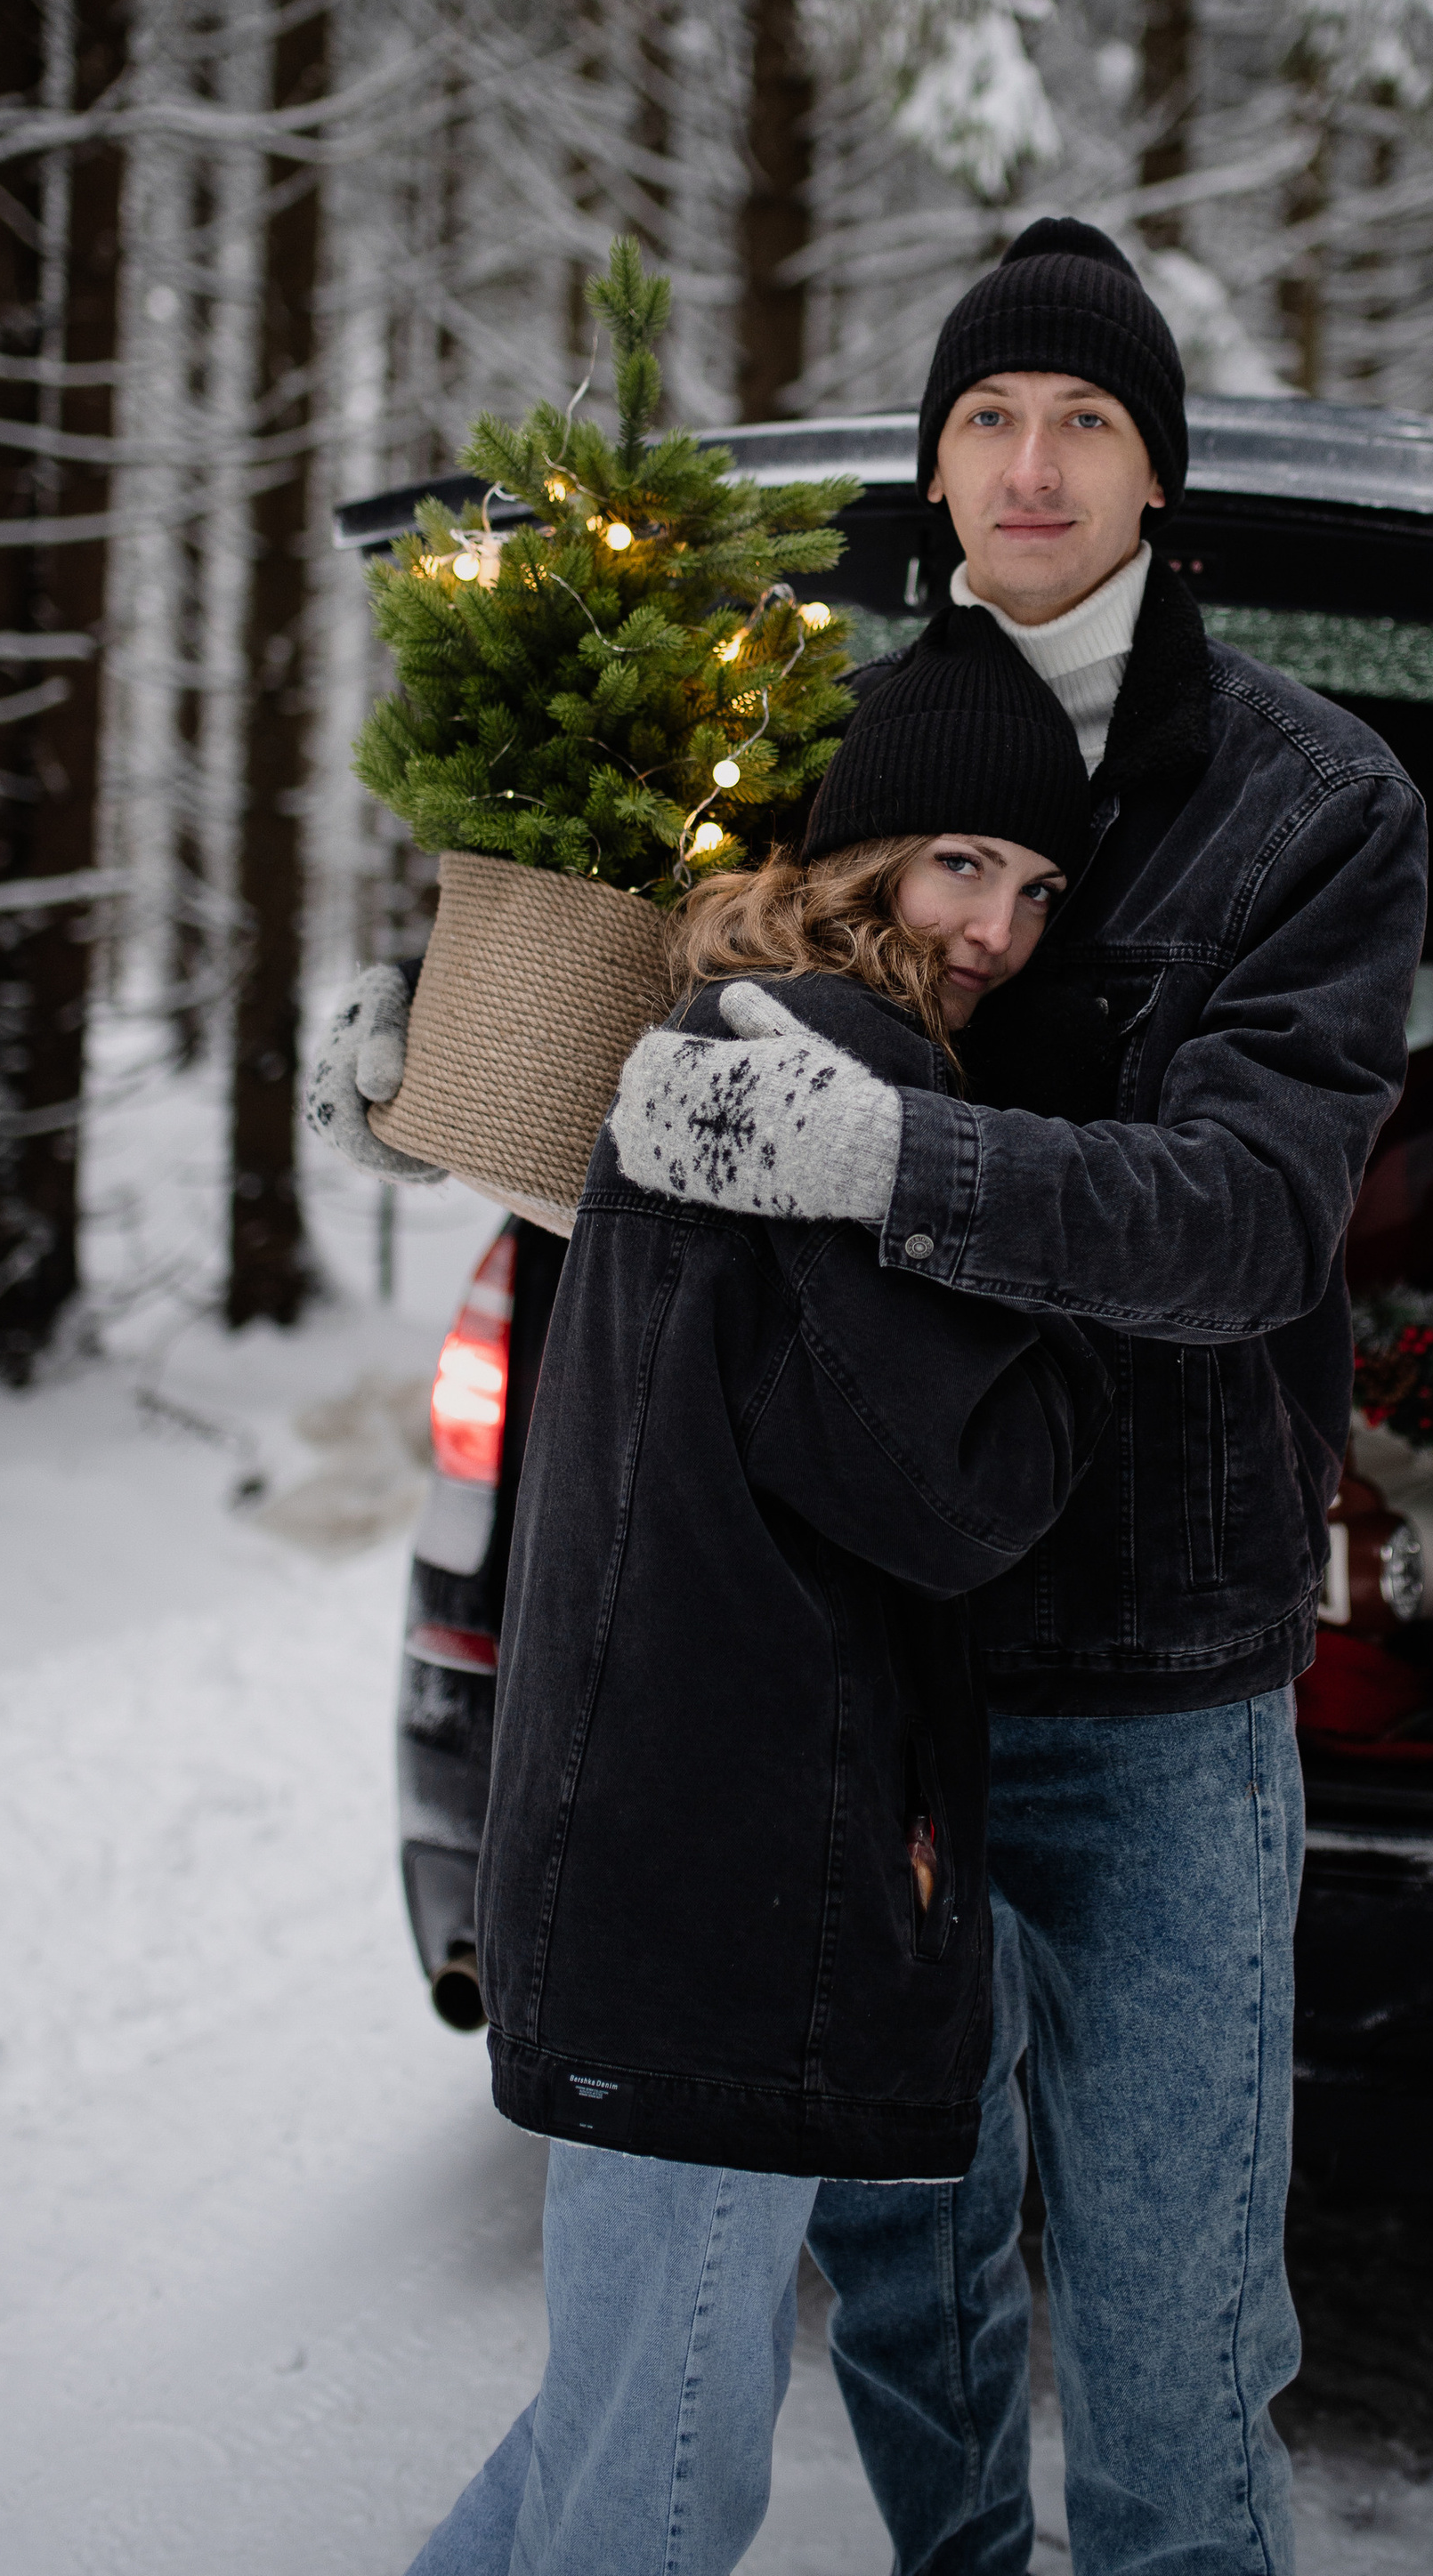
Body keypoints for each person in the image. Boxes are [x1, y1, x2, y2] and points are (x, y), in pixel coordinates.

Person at [614, 219, 1428, 2576]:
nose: (1033, 463)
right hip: (879, 1660)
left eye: (1085, 420)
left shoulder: (1314, 802)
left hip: (1163, 1689)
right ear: (933, 469)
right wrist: (484, 1083)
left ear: (1159, 476)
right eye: (988, 417)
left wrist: (900, 1155)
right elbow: (688, 1067)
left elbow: (1253, 1217)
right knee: (911, 2288)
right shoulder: (827, 757)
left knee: (1173, 2342)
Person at [402, 626, 1115, 2576]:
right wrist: (1076, 1309)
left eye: (1036, 886)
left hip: (643, 1845)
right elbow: (951, 1494)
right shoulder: (833, 1081)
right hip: (724, 1874)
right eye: (960, 865)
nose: (995, 926)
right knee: (665, 2469)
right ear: (860, 852)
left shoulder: (713, 1042)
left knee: (615, 2416)